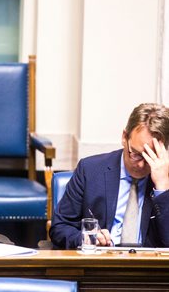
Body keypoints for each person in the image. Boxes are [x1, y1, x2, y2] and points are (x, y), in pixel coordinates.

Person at [50, 103, 169, 249]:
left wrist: (162, 189)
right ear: (125, 138)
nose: (140, 165)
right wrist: (86, 239)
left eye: (150, 157)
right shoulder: (90, 170)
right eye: (136, 154)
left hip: (149, 268)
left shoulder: (165, 180)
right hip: (100, 263)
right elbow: (60, 227)